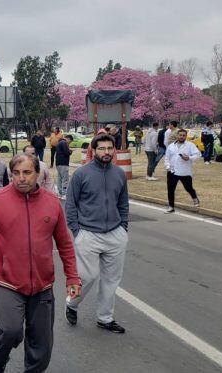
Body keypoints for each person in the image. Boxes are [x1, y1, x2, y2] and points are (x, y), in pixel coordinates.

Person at [0, 154, 81, 373]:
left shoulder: (52, 203)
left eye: (27, 172)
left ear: (38, 174)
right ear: (11, 174)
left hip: (42, 286)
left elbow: (65, 244)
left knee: (42, 345)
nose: (21, 178)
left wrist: (72, 277)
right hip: (7, 283)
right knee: (11, 331)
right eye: (16, 173)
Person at [65, 133, 129, 334]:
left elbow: (123, 203)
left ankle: (105, 318)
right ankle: (72, 304)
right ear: (93, 151)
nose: (107, 152)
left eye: (110, 148)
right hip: (88, 234)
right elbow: (71, 204)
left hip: (115, 234)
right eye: (102, 148)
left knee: (111, 280)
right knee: (88, 276)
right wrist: (76, 231)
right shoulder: (81, 174)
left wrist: (123, 228)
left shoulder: (119, 173)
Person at [164, 129, 201, 213]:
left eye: (184, 135)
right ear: (177, 135)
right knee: (170, 189)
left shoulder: (190, 145)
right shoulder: (171, 146)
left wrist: (189, 158)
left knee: (188, 188)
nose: (182, 137)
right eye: (180, 135)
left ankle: (195, 198)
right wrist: (168, 167)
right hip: (172, 171)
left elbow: (198, 155)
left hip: (185, 171)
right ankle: (171, 206)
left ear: (186, 136)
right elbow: (167, 158)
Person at [55, 134, 73, 199]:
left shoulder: (60, 142)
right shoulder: (64, 143)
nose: (70, 143)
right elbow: (66, 152)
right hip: (63, 163)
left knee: (59, 179)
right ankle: (64, 193)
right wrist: (70, 151)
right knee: (65, 179)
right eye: (70, 141)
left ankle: (60, 193)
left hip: (58, 163)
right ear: (68, 139)